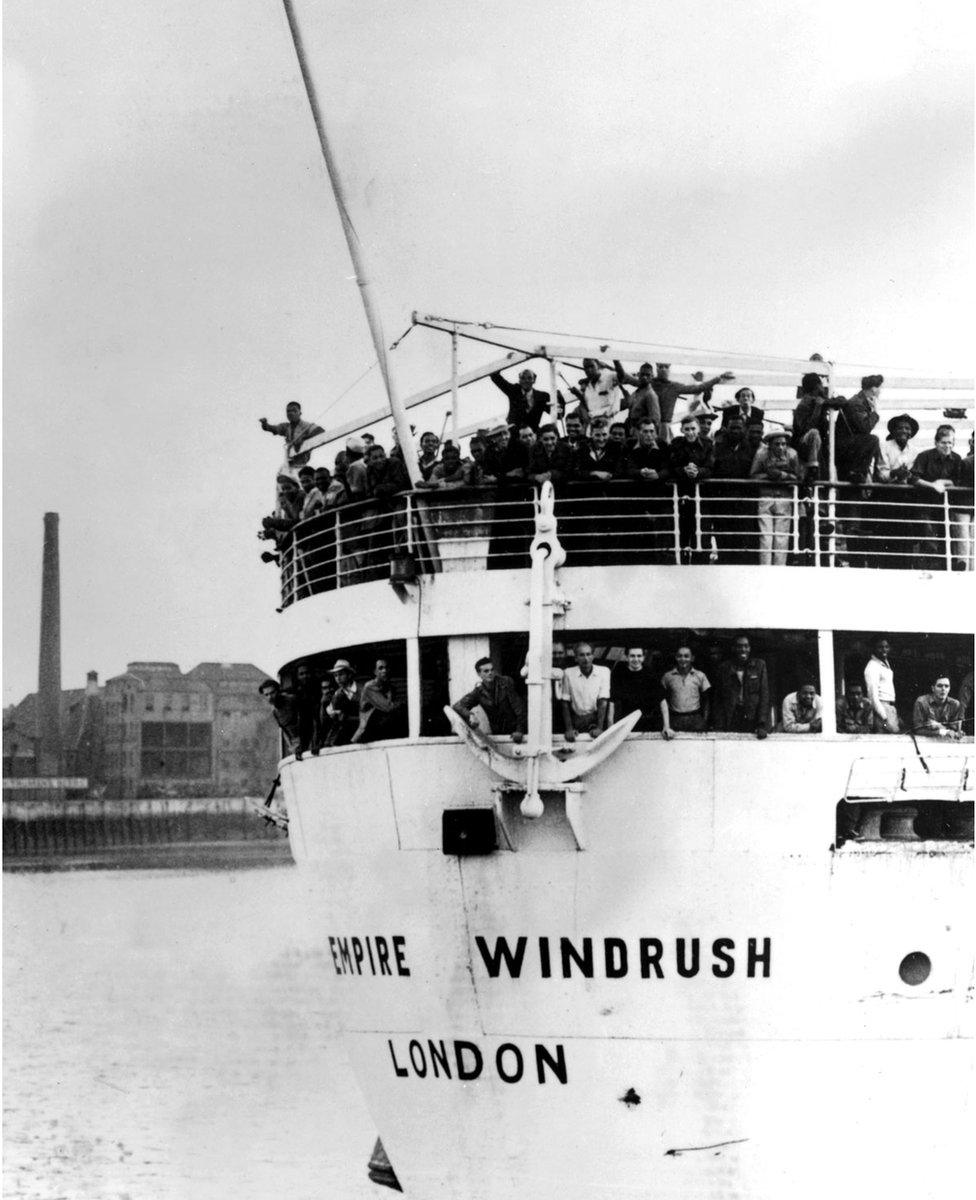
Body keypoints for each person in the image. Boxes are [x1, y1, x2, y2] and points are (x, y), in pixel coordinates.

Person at [910, 424, 964, 568]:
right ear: (936, 442)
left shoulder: (957, 459)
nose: (947, 446)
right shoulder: (924, 456)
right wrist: (932, 485)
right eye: (943, 442)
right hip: (926, 504)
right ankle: (929, 571)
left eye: (950, 443)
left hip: (946, 506)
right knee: (929, 539)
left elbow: (958, 480)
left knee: (947, 539)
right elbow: (913, 478)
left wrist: (942, 482)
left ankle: (945, 570)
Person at [750, 429, 799, 565]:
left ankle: (779, 570)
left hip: (784, 498)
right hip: (766, 498)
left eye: (783, 444)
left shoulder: (792, 454)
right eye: (777, 444)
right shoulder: (761, 454)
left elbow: (798, 477)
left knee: (781, 538)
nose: (780, 447)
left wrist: (783, 476)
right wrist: (769, 475)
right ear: (770, 444)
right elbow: (753, 475)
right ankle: (765, 569)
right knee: (766, 538)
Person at [669, 415, 714, 561]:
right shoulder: (676, 443)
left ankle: (700, 569)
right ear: (681, 429)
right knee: (682, 533)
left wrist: (697, 472)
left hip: (701, 496)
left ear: (698, 429)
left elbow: (710, 467)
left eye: (693, 428)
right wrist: (684, 470)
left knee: (701, 533)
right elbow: (671, 465)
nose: (690, 432)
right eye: (687, 429)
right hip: (681, 495)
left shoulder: (707, 444)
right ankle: (681, 566)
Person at [711, 635, 770, 738]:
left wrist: (762, 724)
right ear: (733, 649)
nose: (743, 649)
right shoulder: (724, 668)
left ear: (750, 648)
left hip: (751, 716)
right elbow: (718, 699)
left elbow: (764, 696)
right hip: (731, 716)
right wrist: (719, 724)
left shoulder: (759, 665)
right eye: (739, 646)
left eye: (746, 646)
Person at [452, 657, 525, 739]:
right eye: (486, 671)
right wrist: (470, 715)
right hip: (498, 734)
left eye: (492, 670)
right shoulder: (478, 692)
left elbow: (520, 708)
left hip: (518, 732)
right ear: (479, 674)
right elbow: (457, 706)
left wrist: (520, 730)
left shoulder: (505, 683)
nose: (490, 673)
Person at [653, 363, 735, 436]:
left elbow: (698, 388)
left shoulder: (674, 386)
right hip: (651, 423)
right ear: (656, 368)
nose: (663, 369)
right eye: (660, 367)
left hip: (665, 424)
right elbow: (697, 390)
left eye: (666, 367)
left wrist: (717, 379)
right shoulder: (650, 385)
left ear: (669, 369)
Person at [835, 374, 884, 483]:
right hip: (844, 446)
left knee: (873, 441)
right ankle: (859, 472)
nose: (880, 391)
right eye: (880, 388)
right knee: (873, 439)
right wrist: (875, 412)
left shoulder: (860, 401)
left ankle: (862, 472)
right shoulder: (857, 403)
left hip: (849, 444)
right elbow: (865, 428)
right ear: (873, 389)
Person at [560, 642, 611, 740]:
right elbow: (565, 702)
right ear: (576, 658)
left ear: (593, 656)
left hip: (596, 719)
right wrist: (569, 728)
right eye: (582, 655)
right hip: (577, 720)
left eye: (588, 654)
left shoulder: (604, 672)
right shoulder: (568, 673)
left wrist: (599, 728)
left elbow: (603, 701)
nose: (586, 658)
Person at [489, 363, 561, 431]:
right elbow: (495, 377)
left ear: (534, 380)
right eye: (523, 378)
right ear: (519, 380)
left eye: (529, 378)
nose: (526, 380)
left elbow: (558, 415)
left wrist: (559, 397)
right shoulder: (514, 391)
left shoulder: (542, 396)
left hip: (533, 432)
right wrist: (506, 361)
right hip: (515, 433)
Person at [660, 645, 711, 738]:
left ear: (692, 658)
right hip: (675, 719)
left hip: (695, 719)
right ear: (676, 657)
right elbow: (662, 698)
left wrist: (704, 720)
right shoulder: (667, 676)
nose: (683, 659)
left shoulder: (700, 676)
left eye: (686, 656)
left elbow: (707, 700)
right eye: (679, 656)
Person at [609, 647, 663, 732]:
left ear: (643, 657)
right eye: (632, 656)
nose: (636, 659)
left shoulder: (650, 673)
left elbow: (662, 700)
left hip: (648, 723)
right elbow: (612, 701)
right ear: (627, 657)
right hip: (626, 722)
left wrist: (667, 726)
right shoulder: (620, 674)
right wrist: (610, 727)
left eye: (639, 656)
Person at [791, 373, 832, 483]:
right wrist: (818, 408)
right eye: (821, 385)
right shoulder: (804, 404)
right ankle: (812, 468)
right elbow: (806, 428)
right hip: (804, 444)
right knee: (814, 433)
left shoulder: (819, 400)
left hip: (818, 445)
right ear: (817, 386)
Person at [353, 659, 405, 743]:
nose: (384, 671)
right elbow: (388, 707)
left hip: (381, 730)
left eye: (386, 668)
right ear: (375, 672)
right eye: (380, 668)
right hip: (366, 734)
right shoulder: (369, 686)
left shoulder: (390, 688)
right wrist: (402, 704)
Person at [259, 402, 324, 467]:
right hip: (290, 461)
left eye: (294, 410)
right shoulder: (286, 427)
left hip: (302, 462)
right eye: (288, 411)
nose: (290, 413)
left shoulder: (306, 426)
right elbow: (272, 428)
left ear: (300, 413)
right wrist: (264, 424)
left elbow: (320, 431)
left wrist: (305, 438)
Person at [614, 361, 662, 436]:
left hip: (641, 433)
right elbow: (627, 405)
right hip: (630, 429)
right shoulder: (637, 392)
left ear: (652, 376)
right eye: (642, 374)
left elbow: (655, 421)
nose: (644, 377)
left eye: (648, 375)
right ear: (638, 375)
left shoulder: (650, 395)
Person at [569, 358, 623, 424]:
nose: (589, 370)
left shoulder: (609, 377)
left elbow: (622, 376)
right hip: (592, 423)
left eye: (592, 366)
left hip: (607, 421)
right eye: (586, 368)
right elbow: (588, 405)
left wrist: (614, 359)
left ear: (598, 366)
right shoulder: (587, 387)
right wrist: (578, 394)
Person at [864, 636, 899, 733]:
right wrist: (884, 718)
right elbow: (872, 697)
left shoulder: (884, 664)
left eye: (886, 647)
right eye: (880, 647)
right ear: (874, 648)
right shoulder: (872, 666)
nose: (884, 650)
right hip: (881, 709)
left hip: (890, 708)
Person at [258, 679, 302, 757]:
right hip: (296, 744)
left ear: (278, 691)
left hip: (306, 739)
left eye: (272, 693)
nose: (270, 697)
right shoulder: (275, 712)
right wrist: (292, 747)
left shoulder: (292, 700)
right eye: (266, 695)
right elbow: (284, 731)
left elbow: (306, 721)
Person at [324, 659, 362, 746]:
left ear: (349, 674)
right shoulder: (337, 694)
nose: (338, 678)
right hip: (346, 735)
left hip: (363, 732)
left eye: (341, 674)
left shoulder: (362, 690)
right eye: (335, 676)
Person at [878, 413, 919, 483]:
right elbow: (881, 474)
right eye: (900, 428)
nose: (904, 431)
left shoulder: (914, 451)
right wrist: (895, 473)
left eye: (907, 428)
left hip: (907, 489)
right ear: (894, 431)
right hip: (887, 489)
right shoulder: (884, 446)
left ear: (911, 432)